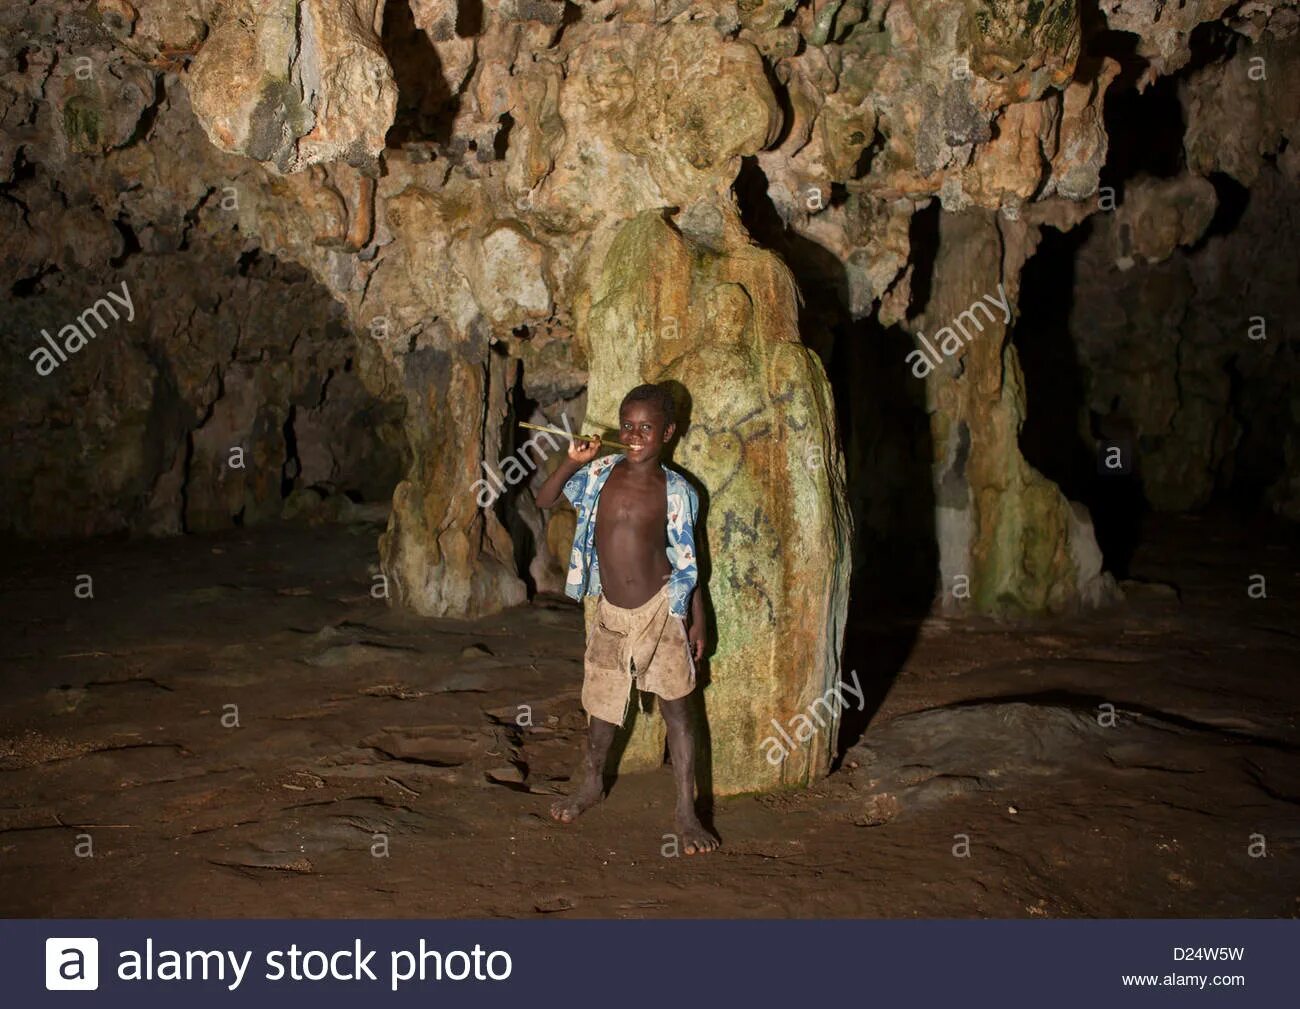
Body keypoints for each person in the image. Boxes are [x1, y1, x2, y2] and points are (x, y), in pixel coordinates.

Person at [533, 383, 718, 854]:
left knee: (678, 710)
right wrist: (572, 460)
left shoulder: (678, 491)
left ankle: (685, 811)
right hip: (611, 614)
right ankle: (591, 782)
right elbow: (545, 499)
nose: (635, 436)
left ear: (668, 433)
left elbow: (688, 562)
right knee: (600, 710)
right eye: (628, 426)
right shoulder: (598, 474)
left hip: (661, 611)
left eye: (646, 428)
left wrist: (696, 620)